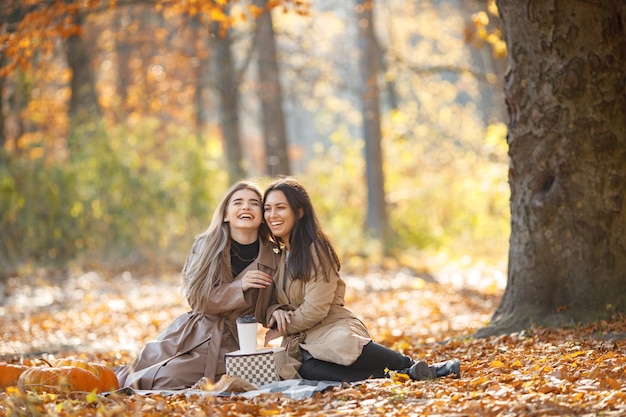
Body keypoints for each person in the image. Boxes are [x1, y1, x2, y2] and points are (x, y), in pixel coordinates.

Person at [260, 177, 460, 382]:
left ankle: (415, 366)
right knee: (307, 369)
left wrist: (281, 328)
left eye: (280, 207)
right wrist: (274, 311)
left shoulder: (316, 249)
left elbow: (315, 309)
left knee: (342, 343)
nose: (272, 215)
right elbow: (267, 300)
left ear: (299, 212)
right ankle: (404, 374)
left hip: (330, 325)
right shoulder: (278, 256)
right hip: (302, 338)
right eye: (267, 209)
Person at [115, 180, 280, 390]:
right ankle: (105, 378)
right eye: (237, 202)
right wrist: (240, 286)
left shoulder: (274, 258)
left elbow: (275, 300)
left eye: (254, 203)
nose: (246, 207)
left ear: (263, 216)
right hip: (193, 331)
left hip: (233, 342)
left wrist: (277, 310)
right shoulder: (205, 246)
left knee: (168, 378)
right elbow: (197, 298)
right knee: (144, 363)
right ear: (226, 214)